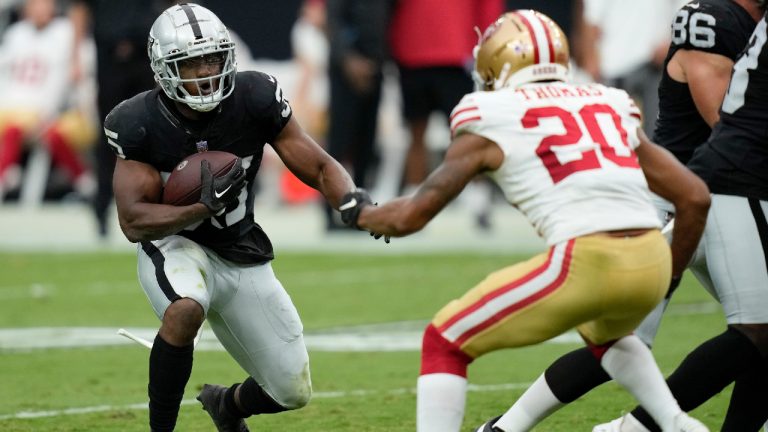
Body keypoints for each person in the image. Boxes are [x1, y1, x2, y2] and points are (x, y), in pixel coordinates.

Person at [342, 10, 711, 432]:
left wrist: (361, 213)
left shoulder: (489, 112)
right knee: (608, 337)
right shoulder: (607, 101)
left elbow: (414, 213)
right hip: (650, 256)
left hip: (587, 258)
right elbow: (695, 196)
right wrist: (669, 272)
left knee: (444, 341)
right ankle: (677, 423)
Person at [486, 1, 768, 431]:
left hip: (712, 197)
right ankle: (510, 427)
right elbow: (726, 121)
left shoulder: (746, 22)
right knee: (620, 340)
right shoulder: (712, 19)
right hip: (674, 199)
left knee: (759, 332)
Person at [106, 4, 364, 431]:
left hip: (240, 248)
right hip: (177, 244)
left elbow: (318, 164)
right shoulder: (139, 122)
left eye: (212, 57)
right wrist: (198, 208)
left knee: (291, 390)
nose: (205, 71)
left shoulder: (254, 97)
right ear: (163, 69)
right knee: (185, 309)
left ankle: (226, 406)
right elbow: (133, 221)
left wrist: (353, 201)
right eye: (190, 62)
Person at [69, 0, 175, 237]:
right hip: (110, 54)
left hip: (145, 54)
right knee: (109, 134)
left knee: (153, 131)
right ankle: (102, 207)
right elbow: (79, 7)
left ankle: (161, 206)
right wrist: (74, 55)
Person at [0, 0, 96, 201]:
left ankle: (85, 182)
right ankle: (9, 171)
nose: (39, 9)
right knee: (13, 128)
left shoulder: (66, 33)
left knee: (25, 130)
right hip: (11, 107)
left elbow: (77, 75)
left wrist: (57, 110)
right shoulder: (16, 33)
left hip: (46, 110)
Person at [323, 0, 393, 230]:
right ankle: (329, 212)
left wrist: (377, 62)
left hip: (375, 67)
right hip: (345, 70)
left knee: (367, 142)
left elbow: (383, 23)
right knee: (339, 141)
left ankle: (360, 210)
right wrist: (350, 61)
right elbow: (333, 21)